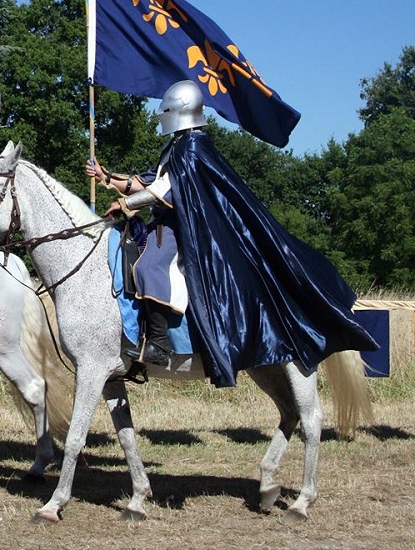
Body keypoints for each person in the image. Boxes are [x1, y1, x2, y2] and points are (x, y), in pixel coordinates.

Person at [87, 80, 378, 386]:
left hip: (183, 228)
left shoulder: (193, 147)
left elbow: (167, 191)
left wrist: (125, 203)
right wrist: (107, 177)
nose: (163, 117)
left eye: (167, 111)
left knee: (150, 266)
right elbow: (148, 181)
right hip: (161, 224)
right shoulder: (175, 146)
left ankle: (158, 344)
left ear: (180, 111)